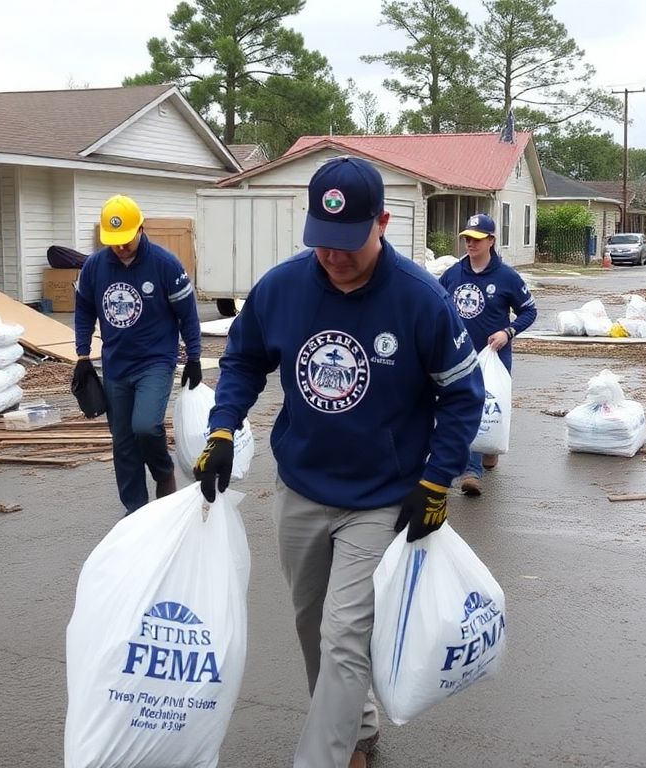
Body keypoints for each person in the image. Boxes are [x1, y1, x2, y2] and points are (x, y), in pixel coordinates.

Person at [193, 156, 484, 768]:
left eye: (348, 243)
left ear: (381, 223)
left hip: (381, 497)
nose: (333, 256)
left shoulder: (421, 300)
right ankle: (358, 726)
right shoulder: (282, 287)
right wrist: (222, 428)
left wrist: (437, 479)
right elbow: (244, 360)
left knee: (344, 634)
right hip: (301, 487)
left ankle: (324, 756)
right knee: (309, 625)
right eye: (322, 243)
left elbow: (462, 394)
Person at [73, 194, 202, 514]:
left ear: (141, 229)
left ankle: (163, 472)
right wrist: (82, 356)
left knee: (146, 426)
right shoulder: (94, 267)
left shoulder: (165, 264)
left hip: (155, 362)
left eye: (126, 240)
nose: (120, 247)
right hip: (116, 364)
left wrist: (195, 356)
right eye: (114, 242)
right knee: (124, 443)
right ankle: (136, 513)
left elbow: (188, 313)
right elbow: (84, 311)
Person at [437, 213, 537, 496]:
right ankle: (472, 461)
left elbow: (529, 310)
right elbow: (436, 303)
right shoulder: (453, 274)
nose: (470, 243)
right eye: (467, 238)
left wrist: (508, 332)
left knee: (483, 411)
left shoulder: (507, 277)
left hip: (492, 355)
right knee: (457, 409)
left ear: (491, 240)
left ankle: (473, 468)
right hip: (457, 355)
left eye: (477, 239)